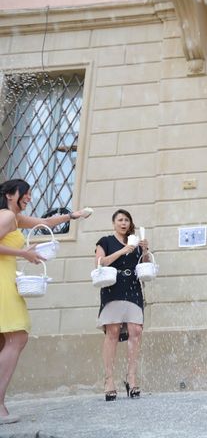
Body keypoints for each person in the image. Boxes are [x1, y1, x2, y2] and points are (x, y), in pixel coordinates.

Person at [0, 179, 91, 424]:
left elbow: (47, 223)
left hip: (6, 278)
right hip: (2, 281)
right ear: (10, 194)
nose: (29, 197)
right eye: (25, 193)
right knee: (17, 337)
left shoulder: (14, 218)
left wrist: (73, 216)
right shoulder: (7, 216)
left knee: (4, 341)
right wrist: (24, 253)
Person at [95, 209, 150, 402]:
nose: (124, 223)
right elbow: (100, 262)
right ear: (114, 223)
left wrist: (144, 251)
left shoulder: (135, 242)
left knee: (136, 330)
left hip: (133, 289)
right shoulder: (105, 241)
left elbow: (145, 267)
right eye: (120, 220)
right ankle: (109, 380)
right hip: (113, 289)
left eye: (127, 220)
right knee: (113, 332)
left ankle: (131, 377)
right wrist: (123, 250)